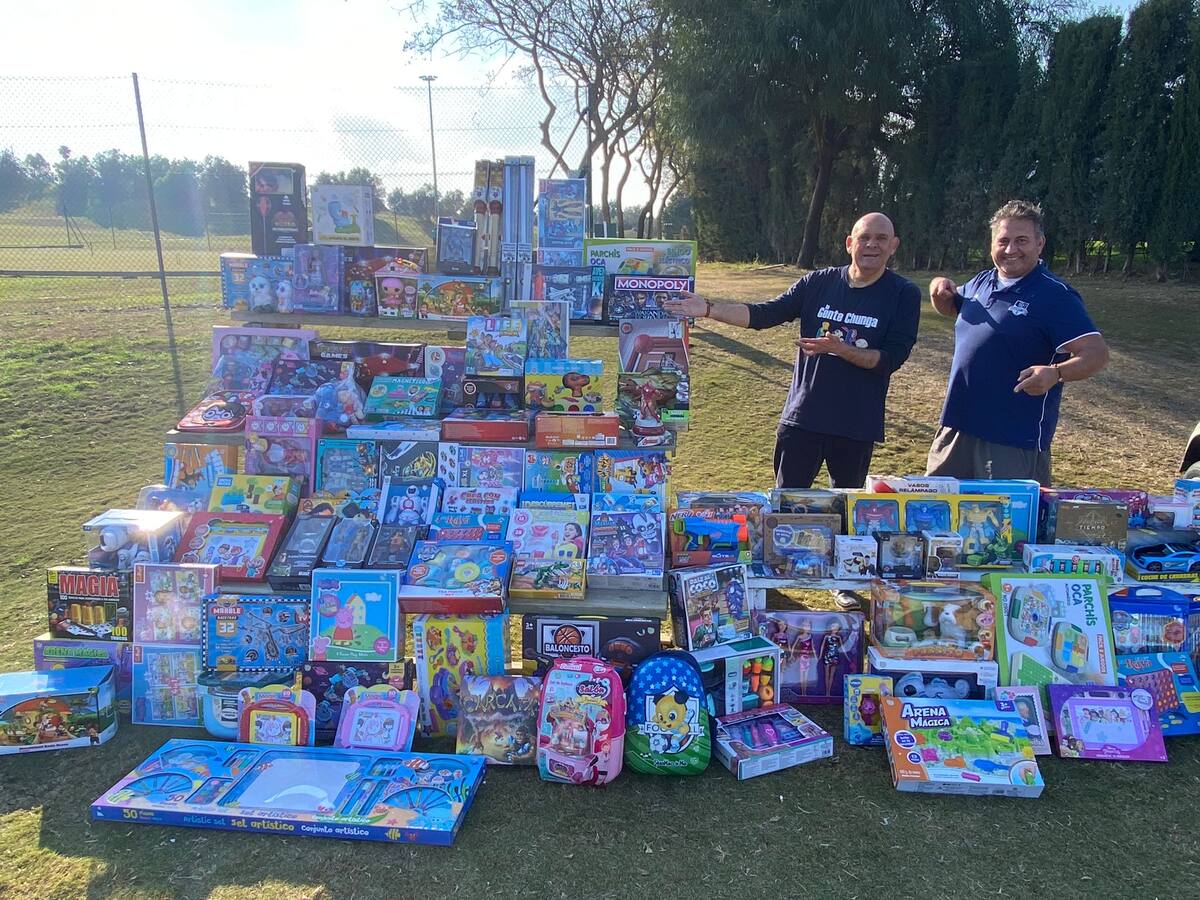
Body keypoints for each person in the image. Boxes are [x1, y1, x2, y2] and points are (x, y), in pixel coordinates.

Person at [663, 212, 921, 491]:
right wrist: (709, 309)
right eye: (864, 237)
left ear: (893, 245)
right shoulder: (818, 283)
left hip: (856, 425)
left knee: (847, 512)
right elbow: (765, 314)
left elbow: (891, 358)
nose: (872, 245)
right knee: (785, 504)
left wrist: (841, 349)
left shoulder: (903, 293)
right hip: (804, 418)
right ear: (849, 243)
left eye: (881, 239)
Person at [926, 201, 1109, 485]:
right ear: (991, 245)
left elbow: (1096, 354)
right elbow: (953, 306)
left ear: (1040, 243)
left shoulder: (1055, 295)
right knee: (934, 514)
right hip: (956, 427)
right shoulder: (981, 283)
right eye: (1004, 241)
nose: (1011, 249)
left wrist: (1056, 373)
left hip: (1011, 439)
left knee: (1005, 527)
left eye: (1021, 241)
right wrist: (937, 288)